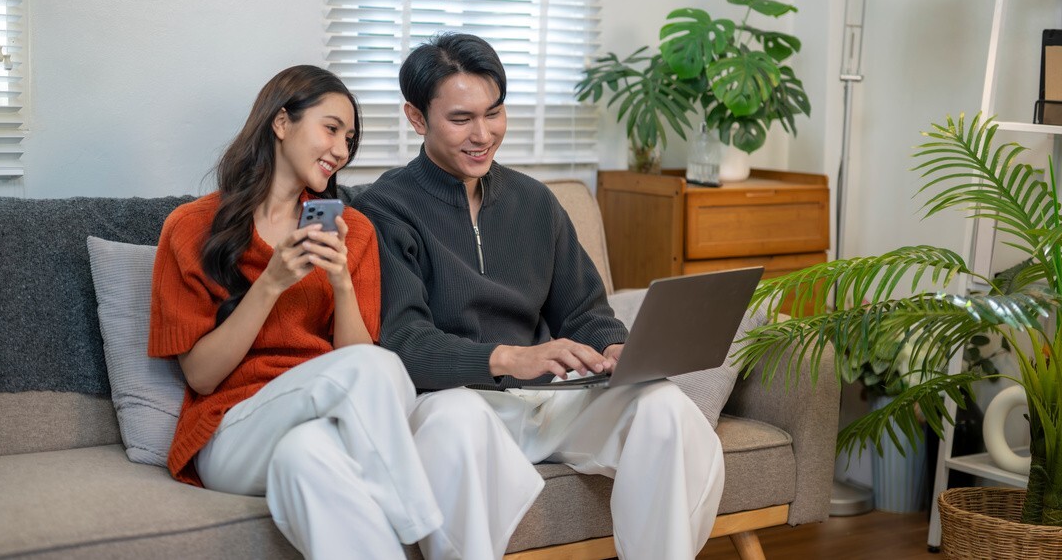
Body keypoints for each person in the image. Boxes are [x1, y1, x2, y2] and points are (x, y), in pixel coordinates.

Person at [351, 34, 726, 559]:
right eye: (461, 119)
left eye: (495, 112)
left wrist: (617, 350)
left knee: (663, 408)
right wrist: (510, 358)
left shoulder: (535, 202)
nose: (483, 135)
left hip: (548, 402)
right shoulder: (385, 209)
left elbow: (585, 311)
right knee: (458, 421)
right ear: (417, 118)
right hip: (453, 404)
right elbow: (404, 344)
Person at [147, 65, 533, 560]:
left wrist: (341, 282)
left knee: (305, 458)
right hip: (233, 431)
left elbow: (360, 363)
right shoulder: (191, 227)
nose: (340, 150)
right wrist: (271, 284)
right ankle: (422, 520)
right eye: (330, 129)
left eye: (349, 139)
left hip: (322, 428)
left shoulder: (354, 230)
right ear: (281, 122)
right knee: (377, 368)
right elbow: (201, 377)